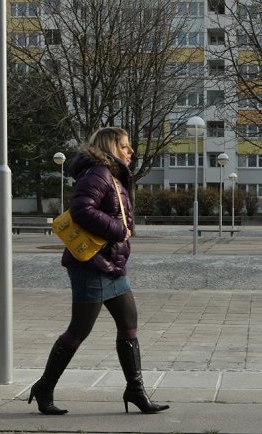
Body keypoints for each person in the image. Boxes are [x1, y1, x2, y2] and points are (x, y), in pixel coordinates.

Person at [28, 127, 169, 415]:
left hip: (112, 265)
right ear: (111, 146)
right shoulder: (98, 174)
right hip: (90, 266)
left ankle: (135, 391)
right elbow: (81, 209)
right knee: (79, 330)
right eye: (126, 146)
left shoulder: (111, 176)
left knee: (129, 324)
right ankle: (43, 387)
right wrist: (119, 229)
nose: (131, 152)